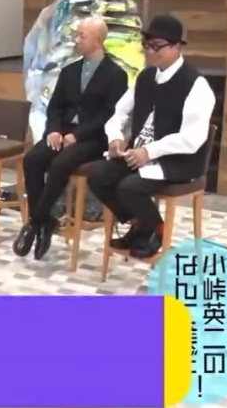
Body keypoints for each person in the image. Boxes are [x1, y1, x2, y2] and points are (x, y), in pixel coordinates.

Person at [85, 14, 216, 259]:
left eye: (157, 46)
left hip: (177, 160)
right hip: (139, 155)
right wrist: (115, 137)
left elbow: (193, 138)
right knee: (98, 176)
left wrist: (150, 151)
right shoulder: (145, 77)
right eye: (147, 45)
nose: (150, 52)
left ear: (176, 47)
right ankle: (140, 224)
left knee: (129, 187)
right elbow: (120, 112)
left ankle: (156, 229)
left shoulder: (196, 85)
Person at [13, 16, 127, 260]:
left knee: (60, 164)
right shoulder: (69, 71)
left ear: (98, 40)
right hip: (62, 132)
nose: (77, 40)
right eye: (76, 35)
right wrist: (54, 130)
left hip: (93, 138)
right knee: (33, 159)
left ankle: (34, 222)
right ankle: (45, 221)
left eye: (82, 36)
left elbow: (108, 114)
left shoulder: (116, 75)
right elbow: (55, 105)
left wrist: (77, 135)